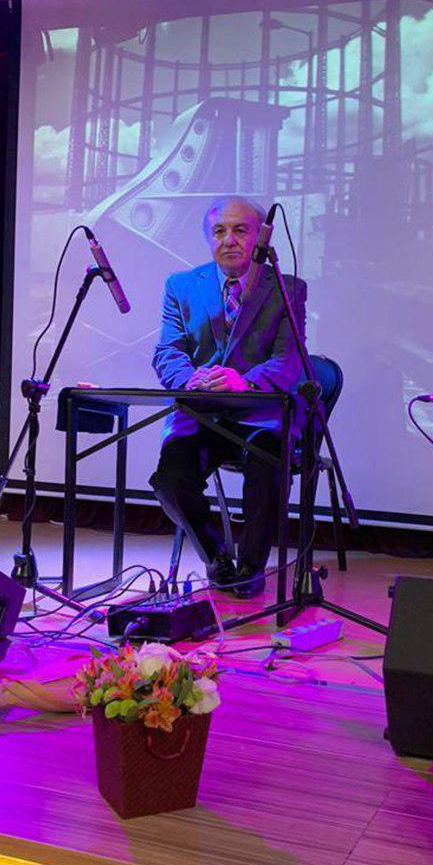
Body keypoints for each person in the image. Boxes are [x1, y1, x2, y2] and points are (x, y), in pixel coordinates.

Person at [149, 196, 307, 598]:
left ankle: (251, 567)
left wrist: (244, 382)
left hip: (259, 415)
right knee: (169, 481)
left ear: (260, 237)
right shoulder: (181, 286)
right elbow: (168, 352)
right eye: (219, 231)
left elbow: (289, 360)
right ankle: (217, 557)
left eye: (240, 230)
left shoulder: (287, 289)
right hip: (200, 414)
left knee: (268, 472)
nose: (228, 240)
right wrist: (190, 380)